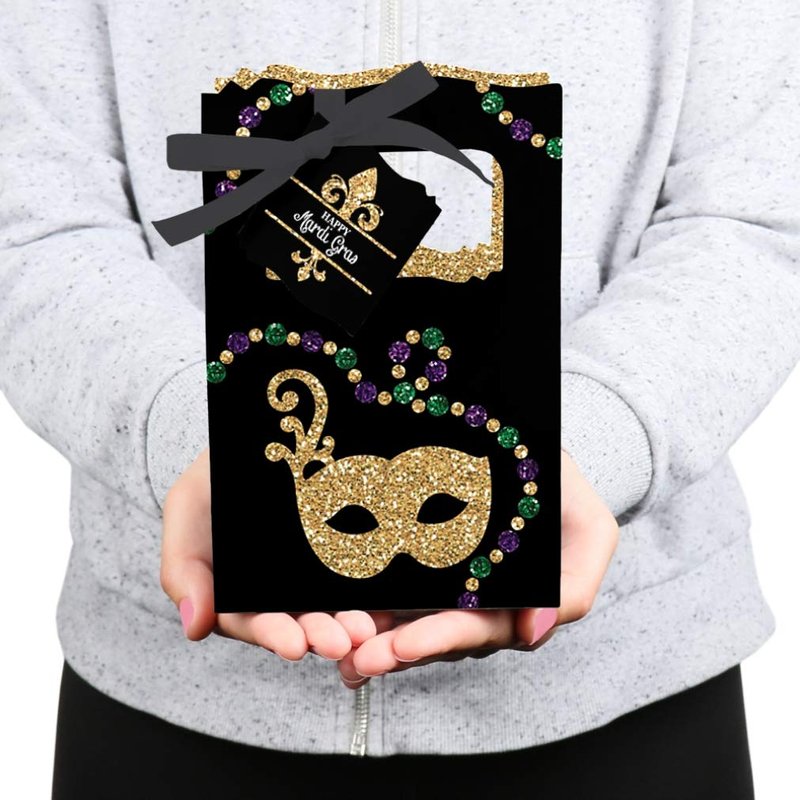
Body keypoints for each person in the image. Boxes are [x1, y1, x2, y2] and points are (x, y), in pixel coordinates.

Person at [1, 1, 797, 798]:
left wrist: (582, 448)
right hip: (169, 706)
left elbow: (755, 215)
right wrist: (207, 435)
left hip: (630, 695)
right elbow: (35, 220)